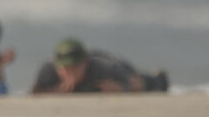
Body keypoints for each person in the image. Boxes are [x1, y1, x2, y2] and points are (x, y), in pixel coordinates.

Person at [31, 38, 168, 94]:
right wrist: (55, 92)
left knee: (140, 81)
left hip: (115, 64)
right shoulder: (49, 70)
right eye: (64, 69)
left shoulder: (103, 69)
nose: (68, 73)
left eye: (74, 68)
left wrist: (122, 89)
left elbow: (129, 83)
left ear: (85, 63)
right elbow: (35, 92)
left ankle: (159, 76)